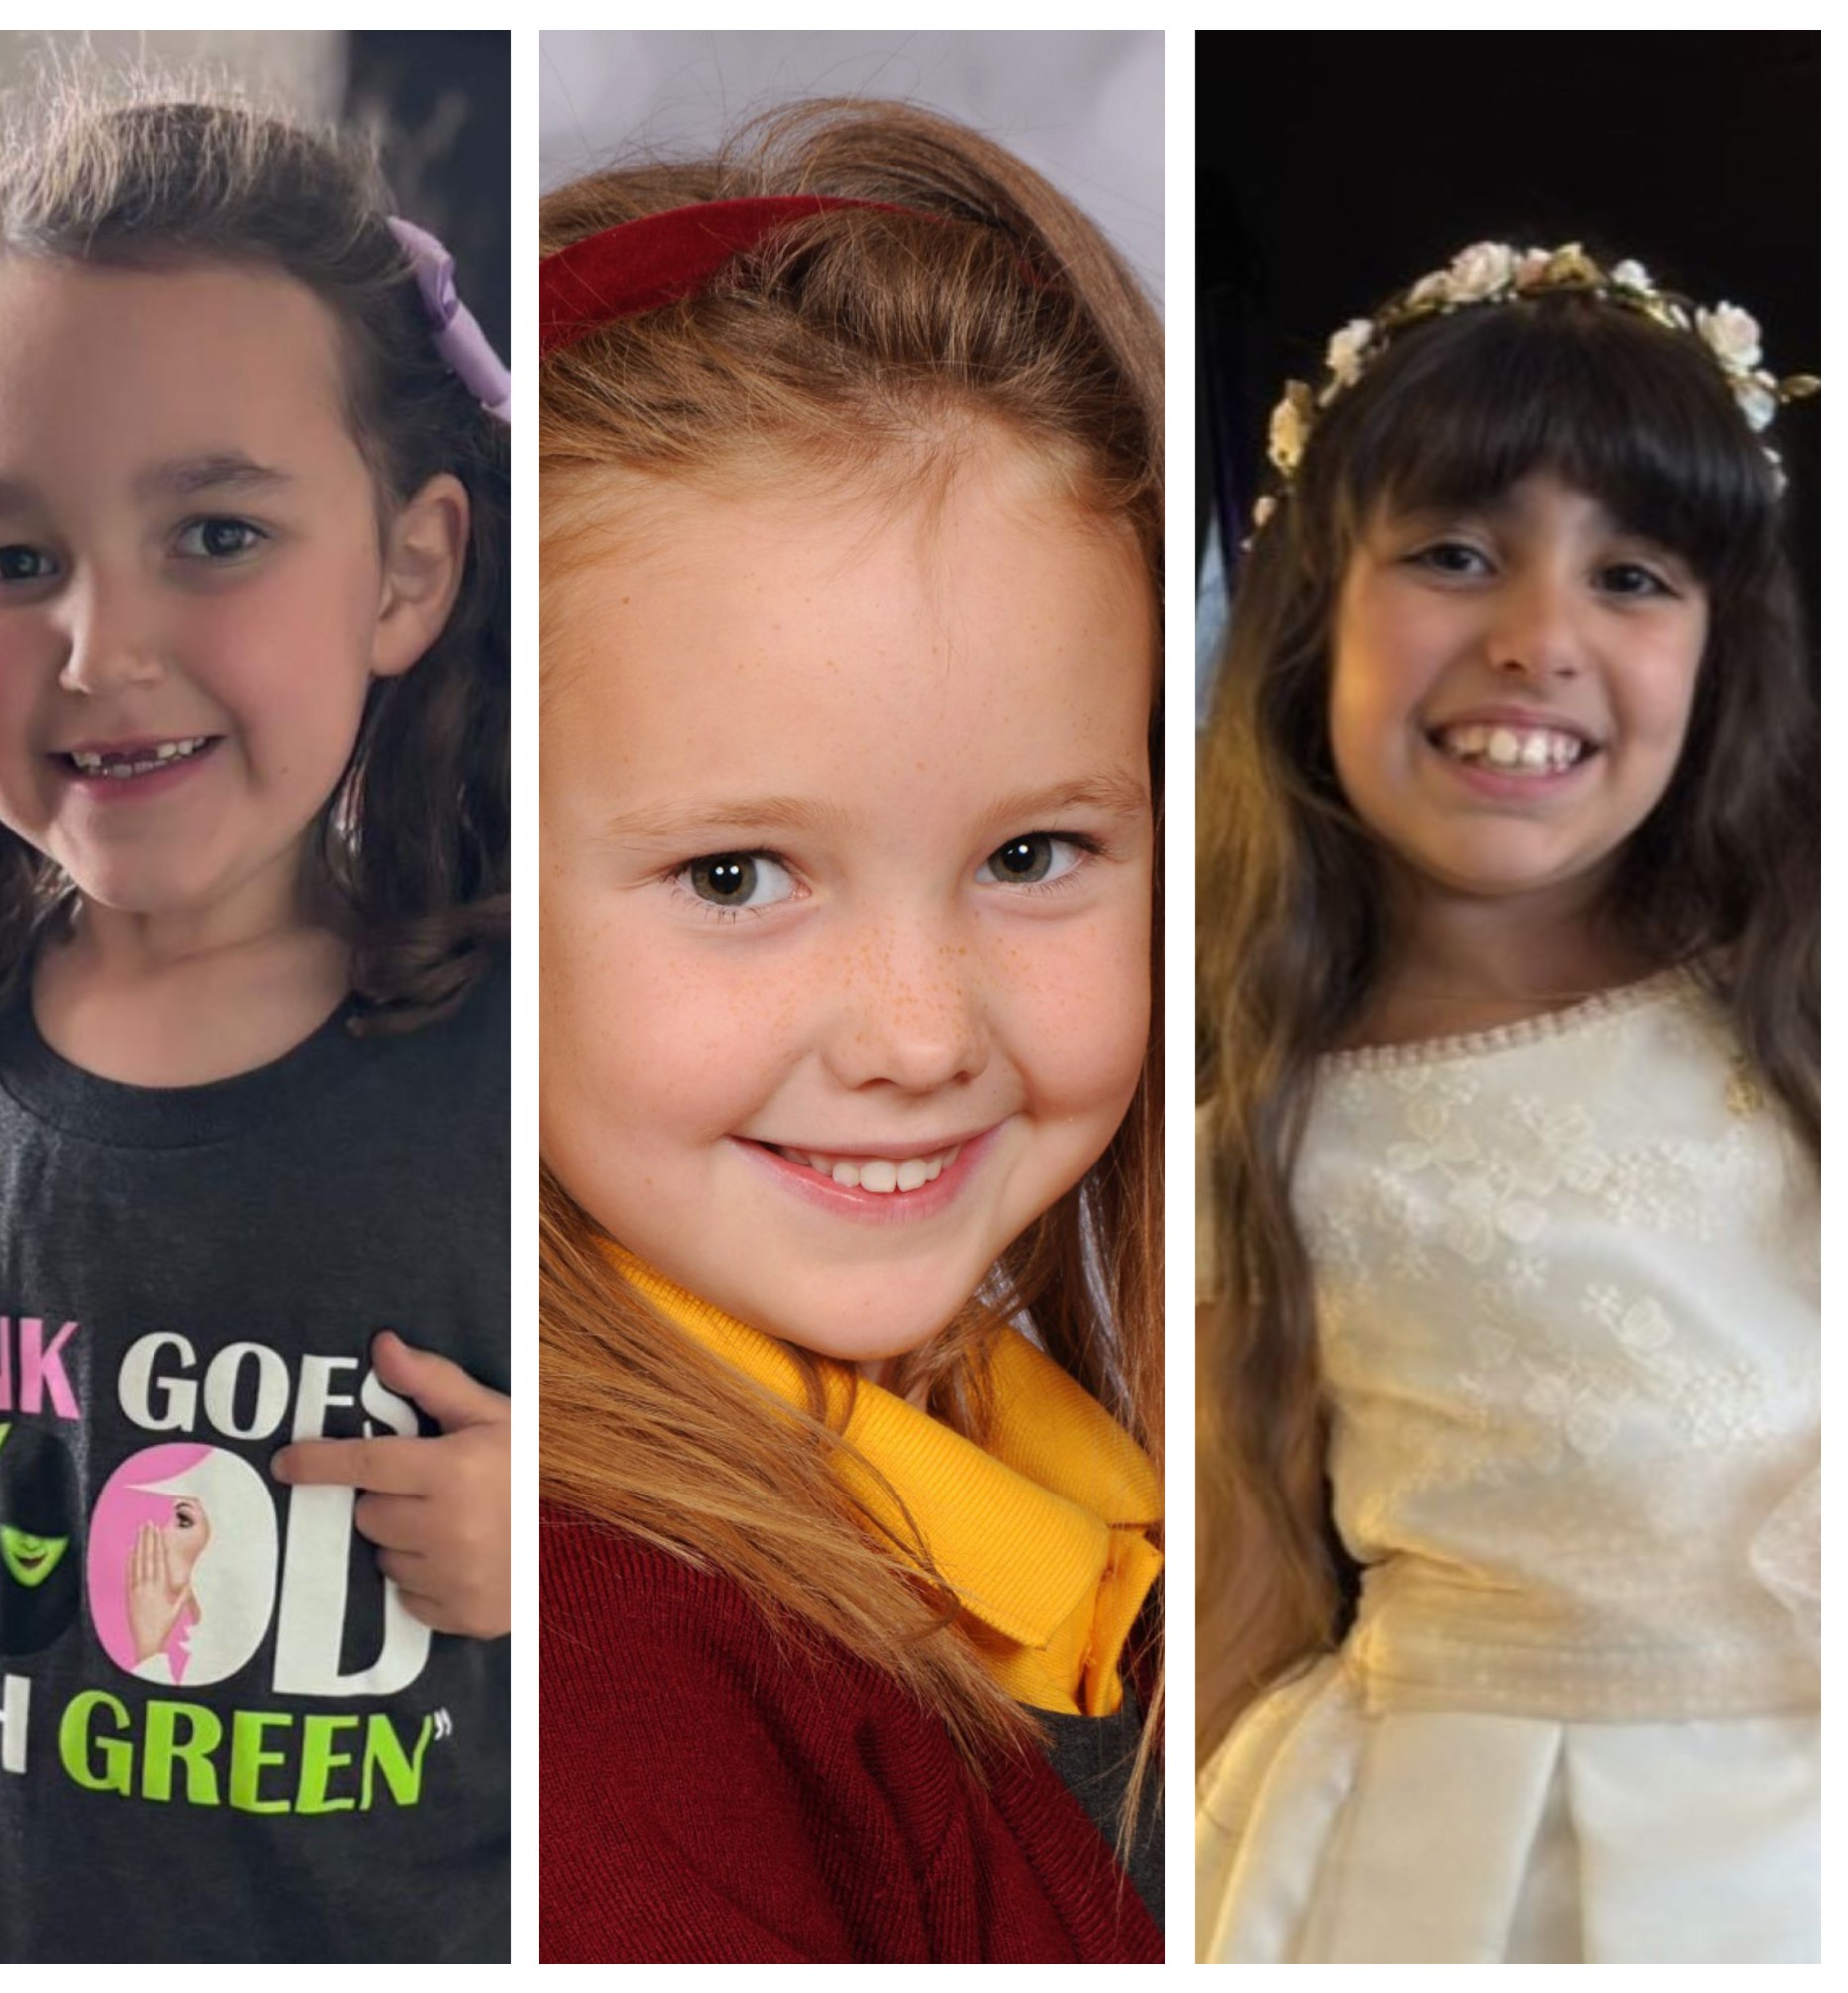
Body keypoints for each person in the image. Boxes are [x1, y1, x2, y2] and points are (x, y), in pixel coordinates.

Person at [0, 74, 511, 1964]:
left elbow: (752, 1524)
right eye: (8, 561)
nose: (100, 649)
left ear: (408, 570)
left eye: (216, 535)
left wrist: (555, 1548)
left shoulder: (525, 1071)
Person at [539, 100, 1165, 1962]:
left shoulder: (1039, 1445)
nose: (915, 1037)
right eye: (737, 878)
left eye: (1035, 854)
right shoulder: (590, 1688)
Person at [1195, 241, 1819, 1963]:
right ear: (1313, 597)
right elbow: (1240, 1588)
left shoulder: (1801, 1005)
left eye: (1633, 578)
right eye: (1456, 556)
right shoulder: (1255, 1113)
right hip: (1469, 1866)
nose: (1539, 640)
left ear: (1719, 648)